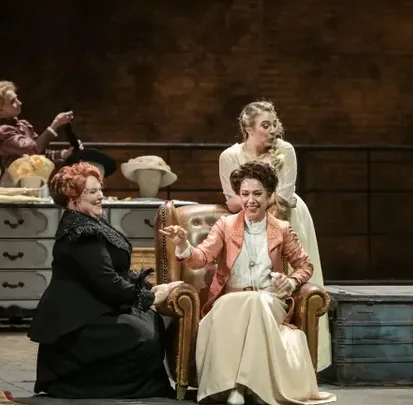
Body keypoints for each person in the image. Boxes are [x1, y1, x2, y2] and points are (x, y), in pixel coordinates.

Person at [160, 161, 336, 405]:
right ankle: (241, 387)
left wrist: (291, 282)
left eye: (257, 194)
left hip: (269, 300)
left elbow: (305, 266)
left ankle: (241, 387)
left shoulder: (282, 229)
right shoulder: (226, 225)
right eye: (245, 194)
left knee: (258, 302)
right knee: (245, 304)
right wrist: (183, 245)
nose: (251, 200)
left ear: (269, 196)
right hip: (230, 300)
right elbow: (201, 258)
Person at [28, 162, 182, 399]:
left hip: (93, 303)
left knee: (149, 321)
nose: (100, 195)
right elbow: (107, 280)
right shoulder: (81, 232)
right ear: (72, 198)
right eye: (92, 192)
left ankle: (143, 385)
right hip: (76, 319)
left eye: (99, 189)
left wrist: (150, 288)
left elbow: (116, 270)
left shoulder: (91, 220)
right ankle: (100, 386)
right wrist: (151, 297)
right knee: (141, 334)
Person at [218, 100, 331, 372]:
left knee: (298, 281)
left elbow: (285, 196)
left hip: (289, 219)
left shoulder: (285, 151)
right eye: (265, 125)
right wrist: (258, 203)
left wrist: (259, 205)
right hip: (247, 222)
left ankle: (302, 363)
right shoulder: (230, 156)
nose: (272, 131)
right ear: (248, 128)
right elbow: (232, 202)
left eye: (274, 124)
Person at [0, 80, 82, 186]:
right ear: (0, 109)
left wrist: (64, 154)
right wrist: (55, 124)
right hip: (16, 184)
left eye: (17, 98)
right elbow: (32, 150)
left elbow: (41, 154)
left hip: (35, 179)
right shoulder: (4, 132)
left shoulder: (24, 125)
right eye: (12, 101)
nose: (19, 103)